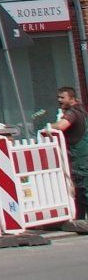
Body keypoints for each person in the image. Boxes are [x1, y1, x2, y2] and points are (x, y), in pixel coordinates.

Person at [53, 86, 87, 214]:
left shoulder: (72, 113)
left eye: (62, 97)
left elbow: (61, 126)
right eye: (58, 97)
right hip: (83, 155)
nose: (59, 100)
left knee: (82, 189)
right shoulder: (82, 111)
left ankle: (82, 218)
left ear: (72, 99)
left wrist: (49, 127)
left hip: (79, 158)